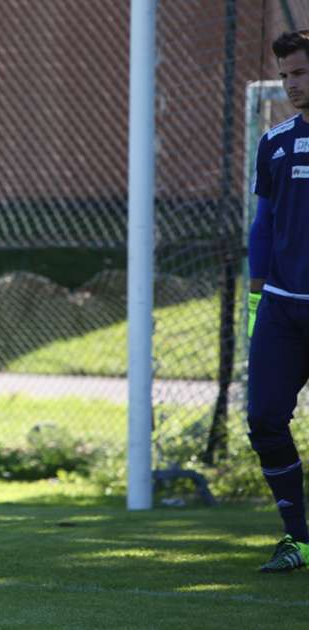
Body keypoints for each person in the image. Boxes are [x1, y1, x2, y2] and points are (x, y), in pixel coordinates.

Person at [246, 29, 309, 573]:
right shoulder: (274, 142)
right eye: (286, 75)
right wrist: (254, 296)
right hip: (282, 306)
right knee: (265, 419)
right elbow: (263, 225)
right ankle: (298, 539)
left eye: (301, 73)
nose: (292, 84)